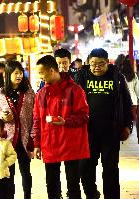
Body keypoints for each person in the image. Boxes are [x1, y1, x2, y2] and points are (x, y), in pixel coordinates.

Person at [75, 48, 133, 199]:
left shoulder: (117, 77)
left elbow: (127, 103)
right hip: (87, 133)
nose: (97, 67)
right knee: (85, 168)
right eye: (93, 63)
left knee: (110, 170)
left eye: (101, 63)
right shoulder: (81, 77)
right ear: (88, 62)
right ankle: (92, 194)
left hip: (111, 132)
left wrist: (127, 125)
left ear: (108, 62)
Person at [33, 55, 90, 199]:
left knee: (73, 187)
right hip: (50, 144)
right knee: (51, 186)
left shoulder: (75, 90)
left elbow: (84, 116)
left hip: (71, 144)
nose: (40, 77)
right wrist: (37, 144)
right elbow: (37, 120)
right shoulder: (41, 94)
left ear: (52, 70)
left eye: (41, 72)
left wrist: (66, 121)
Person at [0, 60, 34, 199]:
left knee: (26, 172)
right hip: (7, 140)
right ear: (8, 75)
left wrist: (33, 136)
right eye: (15, 73)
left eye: (20, 72)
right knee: (9, 174)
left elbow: (35, 115)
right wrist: (1, 117)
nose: (19, 75)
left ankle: (27, 196)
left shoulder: (29, 92)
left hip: (25, 139)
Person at [121, 58, 139, 144]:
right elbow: (137, 89)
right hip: (134, 101)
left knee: (124, 115)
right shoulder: (134, 75)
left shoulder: (120, 76)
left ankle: (125, 130)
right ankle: (130, 129)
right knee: (132, 118)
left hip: (124, 100)